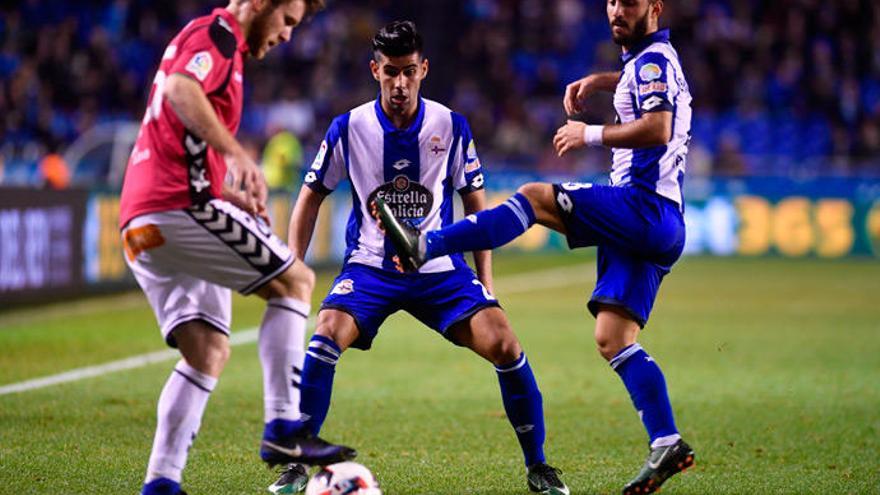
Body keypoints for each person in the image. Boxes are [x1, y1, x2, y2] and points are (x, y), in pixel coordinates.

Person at [377, 1, 695, 494]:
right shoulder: (651, 60)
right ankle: (666, 440)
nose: (616, 10)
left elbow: (660, 127)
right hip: (662, 221)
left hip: (643, 205)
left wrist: (588, 132)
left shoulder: (652, 63)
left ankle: (427, 243)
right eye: (610, 1)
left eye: (628, 2)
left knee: (533, 197)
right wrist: (601, 81)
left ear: (653, 6)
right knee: (613, 337)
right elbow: (647, 81)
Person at [269, 21, 569, 495]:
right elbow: (310, 196)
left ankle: (539, 466)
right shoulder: (348, 128)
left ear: (424, 69)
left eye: (409, 72)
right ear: (375, 70)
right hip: (370, 268)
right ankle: (296, 463)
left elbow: (476, 205)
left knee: (506, 345)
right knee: (325, 335)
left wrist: (485, 282)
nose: (400, 84)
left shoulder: (451, 126)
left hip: (439, 270)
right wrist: (293, 267)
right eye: (391, 72)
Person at [118, 2, 355, 494]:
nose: (289, 35)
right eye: (288, 19)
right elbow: (181, 89)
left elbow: (176, 134)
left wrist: (230, 192)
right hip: (176, 207)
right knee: (296, 280)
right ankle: (284, 429)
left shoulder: (214, 43)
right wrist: (236, 155)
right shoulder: (219, 36)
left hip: (142, 224)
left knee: (206, 352)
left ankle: (161, 484)